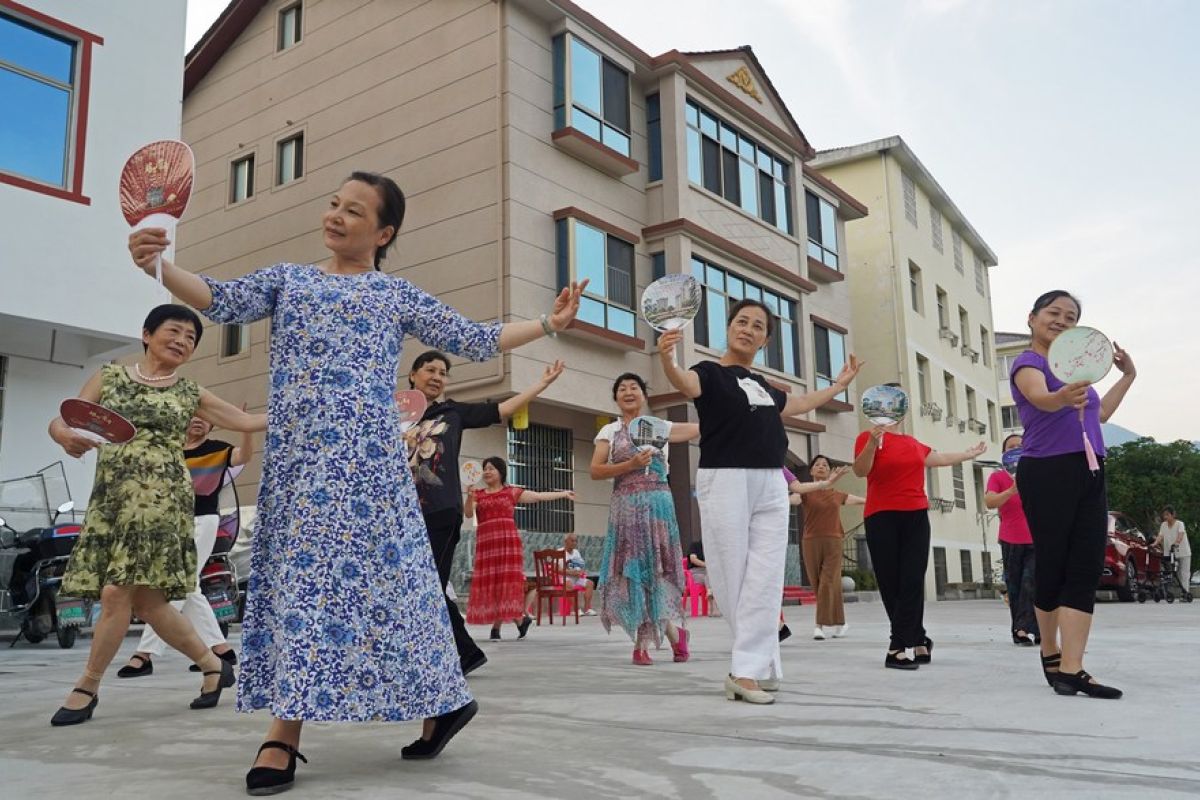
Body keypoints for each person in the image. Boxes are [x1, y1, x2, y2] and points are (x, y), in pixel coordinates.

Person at [127, 171, 587, 793]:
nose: (336, 216)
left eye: (354, 210)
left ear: (384, 231)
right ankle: (285, 731)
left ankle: (438, 702)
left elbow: (476, 339)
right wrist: (162, 267)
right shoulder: (291, 278)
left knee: (401, 590)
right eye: (334, 204)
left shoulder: (395, 295)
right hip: (296, 466)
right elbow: (218, 297)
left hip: (368, 469)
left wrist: (548, 323)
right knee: (302, 585)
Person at [47, 305, 266, 726]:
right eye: (174, 330)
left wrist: (309, 410)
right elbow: (65, 418)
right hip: (112, 501)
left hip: (161, 501)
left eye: (191, 337)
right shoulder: (110, 377)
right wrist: (64, 437)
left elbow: (244, 419)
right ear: (147, 333)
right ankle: (211, 666)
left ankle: (87, 685)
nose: (183, 340)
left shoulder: (189, 392)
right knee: (149, 602)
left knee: (116, 593)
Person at [658, 300, 861, 704]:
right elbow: (684, 383)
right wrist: (667, 357)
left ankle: (752, 668)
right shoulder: (710, 373)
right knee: (732, 574)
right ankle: (753, 667)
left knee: (766, 577)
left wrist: (838, 387)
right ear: (729, 327)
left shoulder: (765, 386)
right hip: (727, 477)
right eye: (741, 321)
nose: (747, 329)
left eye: (757, 326)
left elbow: (798, 404)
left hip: (771, 480)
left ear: (765, 339)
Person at [406, 350, 565, 675]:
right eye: (430, 370)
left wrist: (540, 384)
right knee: (417, 585)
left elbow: (502, 408)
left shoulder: (453, 412)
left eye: (443, 372)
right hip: (404, 515)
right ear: (412, 375)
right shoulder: (396, 414)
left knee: (428, 584)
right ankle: (451, 653)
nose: (437, 376)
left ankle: (463, 653)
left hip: (440, 512)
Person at [1010, 289, 1135, 699]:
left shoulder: (1077, 370)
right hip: (1047, 470)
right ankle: (1051, 651)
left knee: (1084, 566)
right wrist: (1060, 397)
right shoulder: (1028, 362)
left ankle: (1071, 669)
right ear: (1033, 318)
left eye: (1071, 316)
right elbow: (1039, 398)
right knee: (1054, 564)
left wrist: (1127, 377)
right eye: (1053, 312)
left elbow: (1099, 415)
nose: (1061, 320)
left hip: (1090, 470)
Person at [118, 415, 251, 677]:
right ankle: (221, 648)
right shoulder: (170, 451)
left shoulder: (217, 449)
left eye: (204, 418)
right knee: (190, 587)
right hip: (169, 523)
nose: (198, 422)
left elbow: (244, 456)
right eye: (192, 417)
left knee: (180, 582)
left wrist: (245, 427)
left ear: (213, 425)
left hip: (203, 519)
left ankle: (144, 654)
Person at [852, 411, 986, 670]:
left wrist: (968, 454)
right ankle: (918, 639)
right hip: (881, 515)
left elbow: (940, 458)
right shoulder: (867, 438)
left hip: (915, 515)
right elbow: (860, 471)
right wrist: (871, 444)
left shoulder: (914, 443)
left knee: (912, 579)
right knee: (891, 582)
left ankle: (897, 646)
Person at [590, 372, 700, 664]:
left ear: (644, 395)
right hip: (626, 508)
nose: (628, 392)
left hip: (659, 506)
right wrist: (630, 464)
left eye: (634, 387)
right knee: (635, 574)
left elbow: (696, 430)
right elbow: (596, 470)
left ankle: (649, 643)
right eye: (622, 388)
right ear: (616, 398)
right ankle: (663, 639)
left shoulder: (660, 427)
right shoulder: (609, 432)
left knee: (655, 572)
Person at [465, 456, 575, 639]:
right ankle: (518, 621)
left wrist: (563, 494)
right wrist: (468, 497)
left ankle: (501, 627)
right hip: (486, 544)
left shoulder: (511, 492)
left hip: (508, 544)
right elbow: (468, 513)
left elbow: (538, 496)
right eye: (485, 469)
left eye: (491, 468)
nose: (487, 471)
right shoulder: (478, 494)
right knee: (493, 584)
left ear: (501, 472)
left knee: (506, 583)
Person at [787, 457, 864, 641]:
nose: (821, 467)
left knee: (827, 582)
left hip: (833, 540)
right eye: (817, 465)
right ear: (812, 471)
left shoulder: (837, 495)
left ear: (830, 472)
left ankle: (819, 626)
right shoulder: (805, 492)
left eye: (825, 465)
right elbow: (793, 500)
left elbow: (864, 500)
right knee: (819, 584)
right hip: (810, 541)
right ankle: (841, 622)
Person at [985, 434, 1039, 646]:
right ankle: (1020, 629)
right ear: (1004, 454)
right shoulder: (998, 477)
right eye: (1011, 447)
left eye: (1020, 446)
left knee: (1032, 583)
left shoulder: (1038, 474)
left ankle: (1034, 627)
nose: (1016, 449)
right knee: (1015, 586)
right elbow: (990, 501)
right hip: (1010, 539)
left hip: (1037, 538)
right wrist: (1012, 489)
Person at [1153, 506, 1191, 595]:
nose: (1165, 517)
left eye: (1167, 515)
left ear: (1173, 515)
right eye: (1164, 515)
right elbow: (1160, 536)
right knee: (1174, 573)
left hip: (1183, 552)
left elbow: (1180, 535)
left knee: (1184, 573)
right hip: (1171, 553)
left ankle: (1185, 593)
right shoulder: (1163, 525)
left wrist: (1176, 543)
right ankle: (1177, 591)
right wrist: (1154, 544)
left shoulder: (1180, 524)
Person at [561, 532, 596, 615]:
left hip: (576, 577)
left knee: (590, 583)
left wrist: (580, 572)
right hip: (565, 578)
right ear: (566, 542)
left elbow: (580, 565)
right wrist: (570, 572)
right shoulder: (559, 552)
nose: (574, 543)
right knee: (569, 583)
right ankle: (576, 610)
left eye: (575, 541)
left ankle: (587, 609)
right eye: (572, 541)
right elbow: (557, 569)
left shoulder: (576, 552)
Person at [686, 540, 719, 616]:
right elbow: (693, 559)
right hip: (695, 572)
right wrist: (707, 565)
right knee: (709, 578)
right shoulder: (695, 545)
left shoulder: (712, 548)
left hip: (708, 572)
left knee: (709, 577)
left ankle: (710, 592)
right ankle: (713, 608)